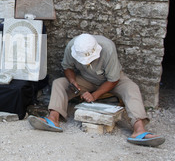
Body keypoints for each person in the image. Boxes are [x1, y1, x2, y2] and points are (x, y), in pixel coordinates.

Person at [28, 33, 165, 147]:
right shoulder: (72, 46)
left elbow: (113, 79)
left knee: (132, 88)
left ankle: (138, 129)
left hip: (111, 80)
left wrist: (95, 95)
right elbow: (67, 67)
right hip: (86, 80)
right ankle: (53, 119)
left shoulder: (107, 48)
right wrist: (73, 81)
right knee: (59, 83)